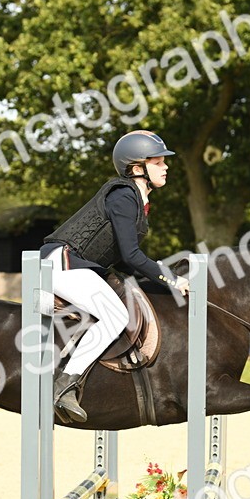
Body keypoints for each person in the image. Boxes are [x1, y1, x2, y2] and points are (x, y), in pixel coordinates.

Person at [39, 130, 190, 423]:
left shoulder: (135, 199)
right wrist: (170, 278)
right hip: (62, 263)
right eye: (158, 162)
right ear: (138, 169)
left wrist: (165, 277)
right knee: (116, 316)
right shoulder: (123, 196)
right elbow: (132, 257)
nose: (166, 166)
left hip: (74, 266)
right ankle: (65, 384)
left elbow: (123, 259)